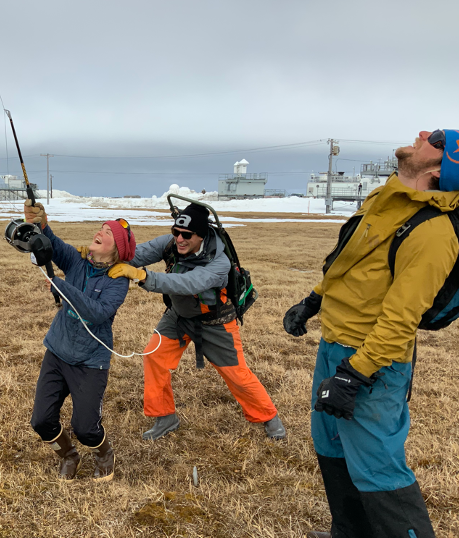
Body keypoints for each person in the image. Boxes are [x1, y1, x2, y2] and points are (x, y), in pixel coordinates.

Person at [284, 129, 459, 538]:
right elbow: (350, 261)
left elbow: (401, 320)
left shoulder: (434, 233)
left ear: (438, 169)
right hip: (335, 345)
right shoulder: (386, 200)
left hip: (373, 363)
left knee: (377, 464)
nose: (420, 134)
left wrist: (355, 373)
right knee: (330, 446)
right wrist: (313, 300)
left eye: (435, 138)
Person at [107, 203, 286, 441]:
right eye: (176, 233)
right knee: (154, 356)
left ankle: (268, 416)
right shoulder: (169, 244)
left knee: (236, 374)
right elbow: (134, 255)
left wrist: (143, 276)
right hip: (178, 316)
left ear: (201, 235)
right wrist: (101, 255)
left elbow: (188, 283)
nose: (179, 239)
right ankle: (165, 417)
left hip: (215, 322)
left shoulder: (219, 263)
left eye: (187, 235)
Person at [24, 199, 136, 482]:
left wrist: (62, 287)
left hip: (90, 361)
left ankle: (104, 453)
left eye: (108, 233)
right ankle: (68, 455)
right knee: (41, 421)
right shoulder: (77, 260)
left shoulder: (118, 280)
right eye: (101, 228)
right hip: (58, 352)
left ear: (117, 250)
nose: (100, 232)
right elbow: (50, 243)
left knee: (86, 428)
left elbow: (98, 313)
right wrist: (39, 223)